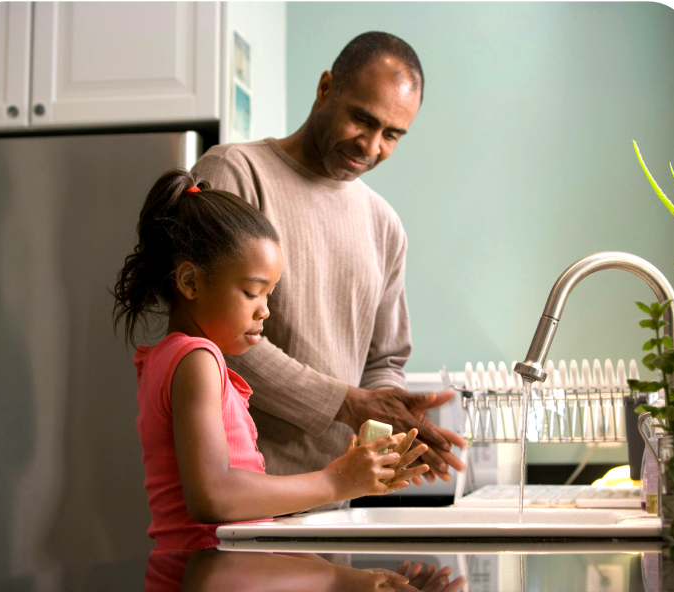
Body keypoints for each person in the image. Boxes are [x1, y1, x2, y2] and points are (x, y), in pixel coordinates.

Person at [191, 31, 465, 488]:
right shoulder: (235, 173)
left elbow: (384, 359)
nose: (371, 146)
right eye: (362, 119)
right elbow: (212, 334)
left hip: (333, 497)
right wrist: (348, 403)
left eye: (392, 134)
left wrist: (389, 410)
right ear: (325, 89)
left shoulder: (384, 224)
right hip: (238, 495)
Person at [112, 168, 429, 550]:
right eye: (252, 292)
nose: (265, 311)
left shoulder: (173, 357)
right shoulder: (197, 360)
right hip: (202, 576)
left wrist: (346, 478)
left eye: (269, 295)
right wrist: (335, 481)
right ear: (190, 282)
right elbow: (214, 495)